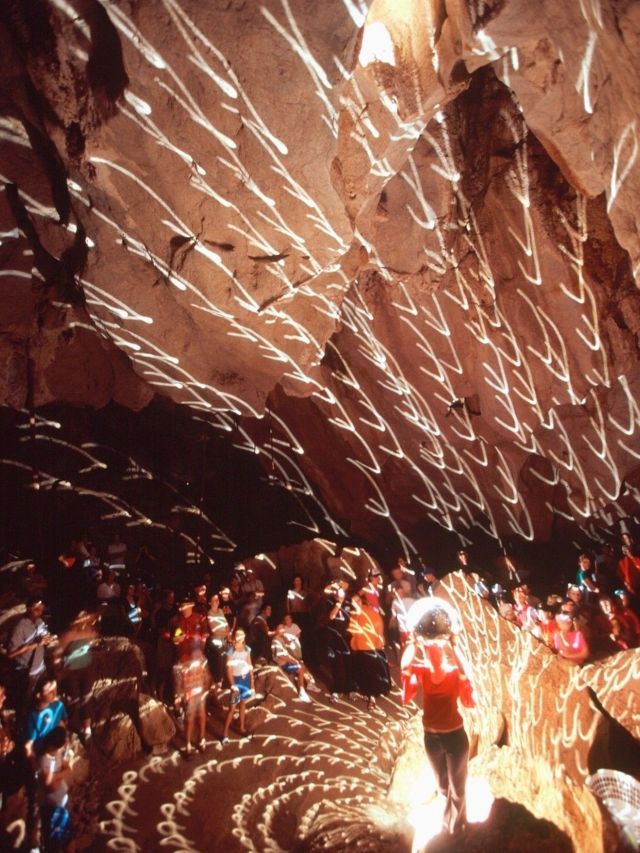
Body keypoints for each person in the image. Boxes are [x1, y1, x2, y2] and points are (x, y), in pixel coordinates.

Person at [401, 619, 475, 836]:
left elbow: (466, 674)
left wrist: (455, 645)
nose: (432, 654)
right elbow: (405, 667)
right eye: (428, 651)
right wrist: (412, 643)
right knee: (443, 788)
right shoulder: (423, 672)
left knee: (458, 789)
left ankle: (459, 828)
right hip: (431, 739)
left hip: (455, 737)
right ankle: (446, 827)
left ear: (443, 653)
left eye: (436, 651)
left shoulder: (453, 673)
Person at [7, 597, 56, 718]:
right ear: (28, 609)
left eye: (41, 609)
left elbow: (44, 637)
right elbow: (11, 654)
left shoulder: (39, 622)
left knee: (41, 699)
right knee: (25, 703)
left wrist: (48, 640)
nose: (39, 612)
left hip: (40, 668)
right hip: (25, 672)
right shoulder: (20, 628)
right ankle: (21, 728)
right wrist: (36, 644)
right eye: (36, 609)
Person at [348, 591, 390, 711]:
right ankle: (366, 692)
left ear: (361, 601)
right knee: (364, 672)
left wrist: (379, 642)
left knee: (372, 673)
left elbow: (379, 626)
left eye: (357, 601)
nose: (355, 604)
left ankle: (372, 698)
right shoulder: (354, 615)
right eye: (353, 602)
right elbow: (352, 631)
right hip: (360, 647)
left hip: (371, 647)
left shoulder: (370, 612)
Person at [37, 726, 76, 852]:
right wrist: (58, 776)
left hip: (61, 805)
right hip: (51, 808)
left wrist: (56, 777)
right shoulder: (43, 760)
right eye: (56, 748)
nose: (57, 751)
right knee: (54, 844)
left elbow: (69, 768)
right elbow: (50, 786)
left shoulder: (57, 754)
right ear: (50, 744)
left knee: (69, 838)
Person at [173, 648, 211, 760]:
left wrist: (207, 688)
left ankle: (201, 739)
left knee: (202, 717)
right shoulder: (180, 664)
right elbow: (178, 682)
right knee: (190, 720)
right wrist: (178, 696)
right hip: (189, 695)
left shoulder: (202, 660)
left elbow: (206, 675)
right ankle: (188, 745)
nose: (199, 654)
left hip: (200, 693)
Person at [271, 623, 320, 702]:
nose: (282, 630)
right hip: (283, 663)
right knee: (300, 668)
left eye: (283, 628)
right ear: (276, 630)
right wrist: (294, 661)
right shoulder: (276, 641)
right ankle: (302, 692)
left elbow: (287, 649)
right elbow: (281, 656)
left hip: (286, 660)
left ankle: (309, 684)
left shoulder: (281, 638)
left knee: (302, 664)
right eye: (280, 629)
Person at [222, 629, 254, 743]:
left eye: (241, 634)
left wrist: (252, 682)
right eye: (237, 635)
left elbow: (250, 664)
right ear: (235, 637)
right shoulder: (231, 651)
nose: (239, 636)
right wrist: (232, 684)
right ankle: (225, 734)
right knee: (232, 707)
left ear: (244, 636)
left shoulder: (247, 649)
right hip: (236, 681)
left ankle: (241, 728)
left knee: (243, 704)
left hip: (245, 680)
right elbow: (229, 669)